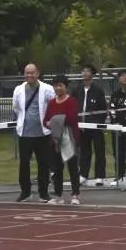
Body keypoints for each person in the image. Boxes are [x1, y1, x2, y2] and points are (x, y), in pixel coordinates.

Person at [12, 63, 56, 203]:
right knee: (24, 164)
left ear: (37, 73)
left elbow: (53, 106)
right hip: (25, 133)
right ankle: (25, 192)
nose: (29, 75)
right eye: (27, 73)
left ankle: (43, 193)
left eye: (32, 72)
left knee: (43, 164)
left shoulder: (47, 89)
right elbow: (16, 108)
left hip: (43, 133)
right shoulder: (18, 90)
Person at [44, 75, 82, 205]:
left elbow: (71, 118)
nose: (58, 88)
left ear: (66, 87)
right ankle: (58, 194)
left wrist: (55, 120)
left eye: (60, 85)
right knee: (57, 169)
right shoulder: (51, 103)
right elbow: (46, 120)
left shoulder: (72, 101)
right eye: (55, 85)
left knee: (73, 168)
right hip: (55, 140)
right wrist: (50, 123)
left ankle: (75, 194)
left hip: (69, 138)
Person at [72, 64, 107, 187]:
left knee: (99, 150)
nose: (85, 73)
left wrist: (98, 123)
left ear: (92, 74)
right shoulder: (77, 90)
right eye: (83, 71)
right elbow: (73, 106)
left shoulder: (98, 90)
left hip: (95, 127)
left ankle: (99, 176)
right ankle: (83, 175)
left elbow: (103, 109)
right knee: (84, 152)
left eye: (87, 71)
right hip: (82, 127)